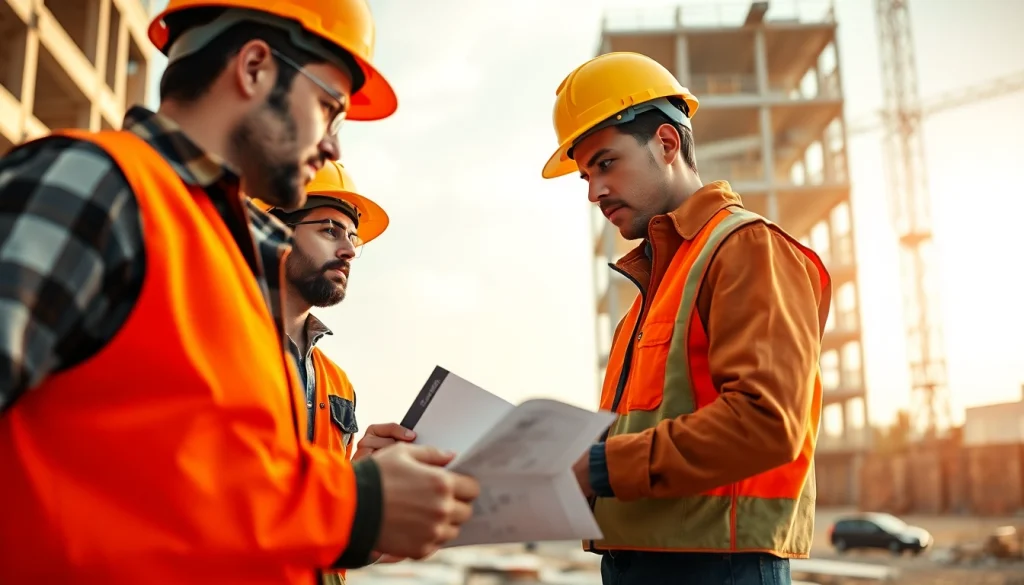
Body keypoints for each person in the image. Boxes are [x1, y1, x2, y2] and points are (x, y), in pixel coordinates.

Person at [0, 1, 479, 584]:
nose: (333, 149)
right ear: (254, 67)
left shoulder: (231, 268)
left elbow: (202, 481)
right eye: (328, 109)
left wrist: (357, 504)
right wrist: (349, 505)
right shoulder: (96, 185)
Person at [542, 51, 832, 585]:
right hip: (640, 562)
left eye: (605, 164)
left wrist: (599, 466)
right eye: (585, 176)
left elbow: (767, 423)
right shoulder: (653, 292)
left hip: (719, 567)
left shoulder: (746, 248)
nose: (594, 191)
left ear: (667, 143)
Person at [257, 160, 413, 583]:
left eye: (352, 237)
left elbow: (331, 527)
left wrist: (363, 483)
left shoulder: (337, 383)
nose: (348, 251)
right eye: (329, 230)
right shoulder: (216, 349)